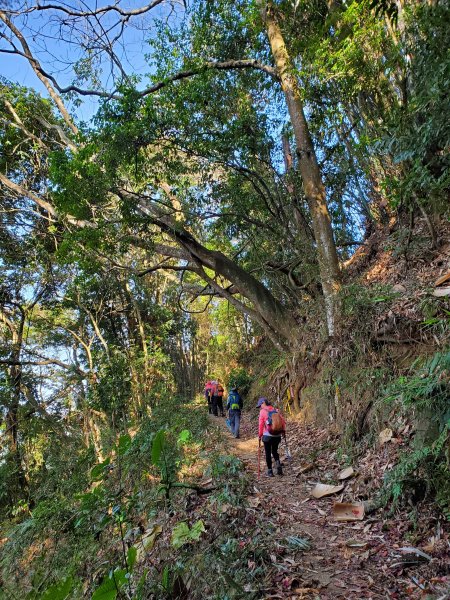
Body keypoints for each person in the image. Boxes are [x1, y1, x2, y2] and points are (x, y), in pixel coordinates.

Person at [257, 397, 286, 477]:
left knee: (268, 453)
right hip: (277, 435)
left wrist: (260, 435)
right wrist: (283, 431)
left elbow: (261, 424)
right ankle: (278, 463)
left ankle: (270, 471)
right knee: (274, 451)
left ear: (263, 403)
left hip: (267, 436)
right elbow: (283, 421)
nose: (260, 407)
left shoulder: (262, 412)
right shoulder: (276, 410)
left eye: (260, 405)